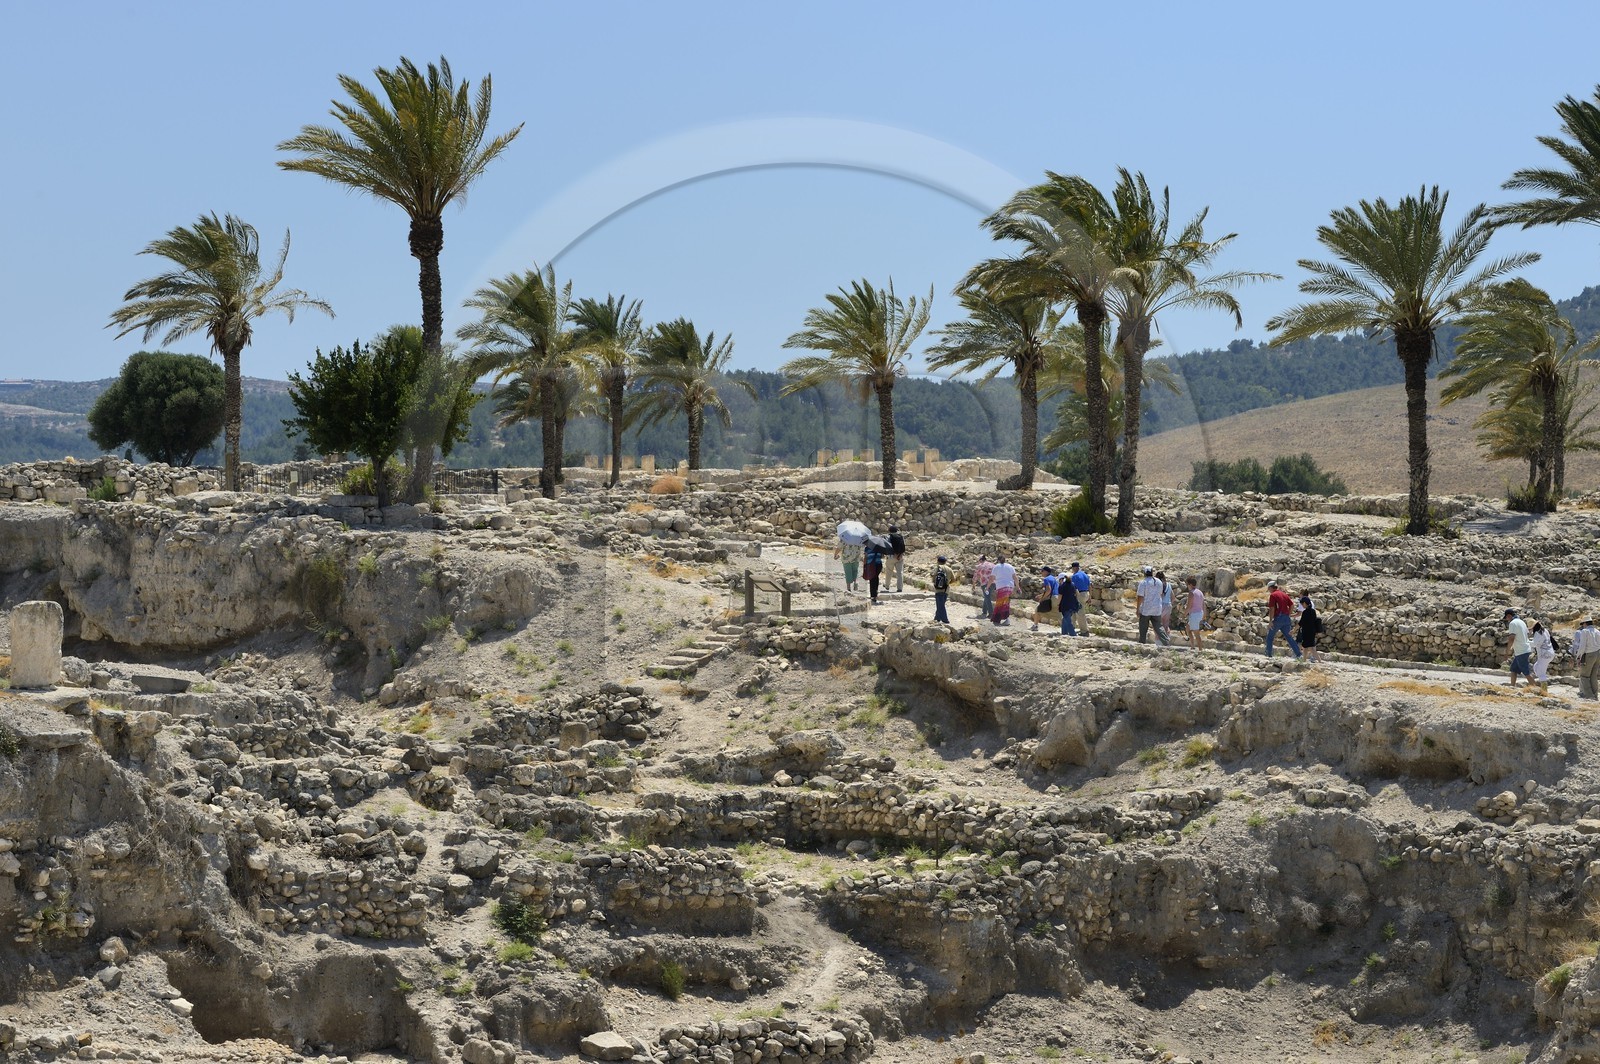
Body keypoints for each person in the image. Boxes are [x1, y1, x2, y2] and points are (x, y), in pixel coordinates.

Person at [1265, 581, 1302, 659]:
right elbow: (1291, 605)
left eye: (1268, 589)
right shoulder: (1284, 594)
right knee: (1289, 637)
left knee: (1270, 636)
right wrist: (1288, 614)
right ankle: (1299, 654)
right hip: (1286, 618)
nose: (1269, 590)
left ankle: (1268, 655)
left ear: (1271, 588)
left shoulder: (1273, 595)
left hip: (1278, 618)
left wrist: (1270, 621)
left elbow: (1272, 608)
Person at [1136, 566, 1168, 646]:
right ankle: (1166, 643)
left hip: (1146, 609)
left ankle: (1142, 643)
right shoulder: (1159, 582)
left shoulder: (1143, 583)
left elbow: (1140, 597)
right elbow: (1160, 594)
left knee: (1143, 627)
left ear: (1144, 573)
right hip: (1157, 609)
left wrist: (1138, 609)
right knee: (1159, 627)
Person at [1572, 618, 1600, 699]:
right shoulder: (1597, 631)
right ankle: (1595, 694)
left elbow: (1582, 646)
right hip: (1598, 654)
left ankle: (1589, 695)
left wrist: (1578, 656)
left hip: (1589, 654)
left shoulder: (1585, 631)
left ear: (1585, 623)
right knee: (1593, 675)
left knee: (1584, 676)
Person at [1505, 608, 1532, 687]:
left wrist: (1507, 651)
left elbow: (1511, 638)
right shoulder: (1522, 622)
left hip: (1521, 651)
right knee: (1513, 669)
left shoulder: (1512, 623)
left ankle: (1536, 689)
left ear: (1509, 616)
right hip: (1524, 649)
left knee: (1526, 673)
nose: (1507, 620)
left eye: (1506, 618)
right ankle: (1512, 687)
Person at [1530, 620, 1556, 695]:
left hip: (1544, 655)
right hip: (1550, 653)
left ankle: (1544, 692)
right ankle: (1542, 687)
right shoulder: (1544, 630)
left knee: (1541, 673)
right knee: (1536, 666)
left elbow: (1535, 644)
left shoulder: (1538, 633)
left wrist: (1525, 642)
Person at [991, 554, 1017, 626]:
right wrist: (1018, 587)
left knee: (1001, 603)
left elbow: (992, 578)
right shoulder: (1010, 566)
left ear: (998, 560)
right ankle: (998, 619)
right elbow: (1015, 577)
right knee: (1004, 602)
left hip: (1001, 587)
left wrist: (988, 586)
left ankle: (1005, 619)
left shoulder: (996, 567)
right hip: (1009, 587)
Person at [1031, 567, 1060, 631]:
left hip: (1051, 598)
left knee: (1037, 610)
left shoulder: (1046, 579)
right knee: (1058, 614)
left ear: (1046, 572)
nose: (1041, 572)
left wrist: (1042, 598)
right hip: (1057, 598)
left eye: (1042, 571)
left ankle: (1035, 626)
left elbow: (1048, 590)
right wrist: (1041, 595)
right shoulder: (1054, 579)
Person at [1297, 595, 1323, 663]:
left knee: (1311, 648)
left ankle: (1320, 661)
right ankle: (1304, 661)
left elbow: (1301, 622)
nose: (1302, 605)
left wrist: (1293, 630)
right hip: (1312, 632)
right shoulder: (1313, 611)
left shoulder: (1305, 612)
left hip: (1307, 632)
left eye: (1302, 604)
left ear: (1304, 603)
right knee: (1305, 647)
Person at [1066, 562, 1090, 636]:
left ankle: (1084, 631)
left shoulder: (1075, 576)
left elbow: (1073, 588)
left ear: (1074, 568)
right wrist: (1090, 597)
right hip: (1086, 593)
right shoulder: (1085, 575)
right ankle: (1071, 628)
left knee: (1080, 613)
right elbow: (1090, 586)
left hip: (1079, 594)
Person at [1183, 576, 1206, 650]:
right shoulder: (1200, 592)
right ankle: (1192, 646)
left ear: (1190, 584)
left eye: (1187, 584)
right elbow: (1203, 604)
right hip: (1200, 613)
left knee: (1196, 634)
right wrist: (1204, 615)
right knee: (1188, 628)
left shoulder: (1191, 593)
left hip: (1194, 615)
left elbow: (1189, 606)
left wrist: (1184, 615)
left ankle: (1200, 650)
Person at [1059, 568, 1082, 636]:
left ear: (1061, 579)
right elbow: (1077, 593)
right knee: (1065, 619)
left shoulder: (1062, 586)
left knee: (1067, 619)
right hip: (1073, 604)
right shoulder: (1073, 584)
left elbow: (1060, 596)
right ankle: (1064, 633)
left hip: (1065, 605)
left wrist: (1058, 604)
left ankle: (1072, 633)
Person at [972, 554, 995, 619]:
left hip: (985, 584)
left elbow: (975, 576)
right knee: (986, 597)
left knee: (987, 598)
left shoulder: (979, 566)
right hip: (993, 583)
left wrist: (973, 585)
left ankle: (991, 613)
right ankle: (984, 612)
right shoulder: (993, 565)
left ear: (980, 560)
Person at [886, 524, 907, 593]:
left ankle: (887, 585)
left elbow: (888, 546)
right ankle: (900, 588)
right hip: (900, 557)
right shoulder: (901, 536)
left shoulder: (889, 537)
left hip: (891, 557)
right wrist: (899, 554)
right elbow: (903, 546)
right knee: (900, 573)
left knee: (889, 571)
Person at [932, 555, 952, 624]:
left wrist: (935, 583)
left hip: (938, 590)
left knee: (940, 605)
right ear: (945, 562)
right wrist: (947, 583)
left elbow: (933, 577)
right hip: (946, 589)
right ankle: (937, 618)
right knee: (941, 604)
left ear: (938, 561)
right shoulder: (949, 569)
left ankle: (945, 620)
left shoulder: (937, 568)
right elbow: (954, 579)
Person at [863, 540, 884, 605]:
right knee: (876, 578)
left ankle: (873, 595)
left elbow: (865, 557)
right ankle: (875, 593)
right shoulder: (879, 548)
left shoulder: (867, 548)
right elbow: (882, 556)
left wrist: (864, 565)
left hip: (871, 565)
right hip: (879, 565)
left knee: (872, 579)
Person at [1157, 570, 1174, 644]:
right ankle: (1167, 641)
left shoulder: (1159, 585)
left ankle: (1158, 642)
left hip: (1161, 606)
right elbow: (1173, 598)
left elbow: (1160, 596)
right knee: (1166, 625)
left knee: (1158, 625)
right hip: (1168, 605)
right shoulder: (1169, 585)